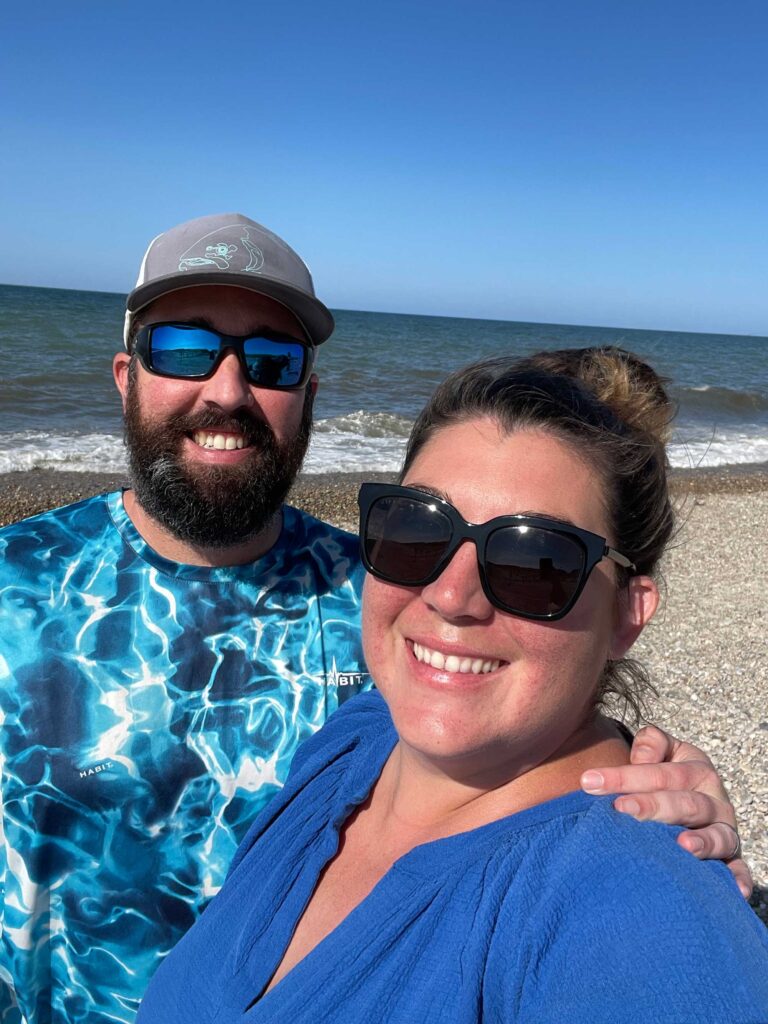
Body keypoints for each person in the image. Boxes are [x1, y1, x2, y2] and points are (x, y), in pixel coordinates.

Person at [0, 216, 749, 1024]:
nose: (225, 389)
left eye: (272, 362)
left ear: (309, 398)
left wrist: (661, 794)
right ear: (124, 375)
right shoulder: (15, 584)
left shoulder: (376, 581)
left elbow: (532, 722)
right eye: (182, 348)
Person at [138, 346, 768, 1023]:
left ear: (627, 614)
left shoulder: (639, 917)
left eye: (535, 558)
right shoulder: (355, 737)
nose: (449, 595)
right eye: (416, 529)